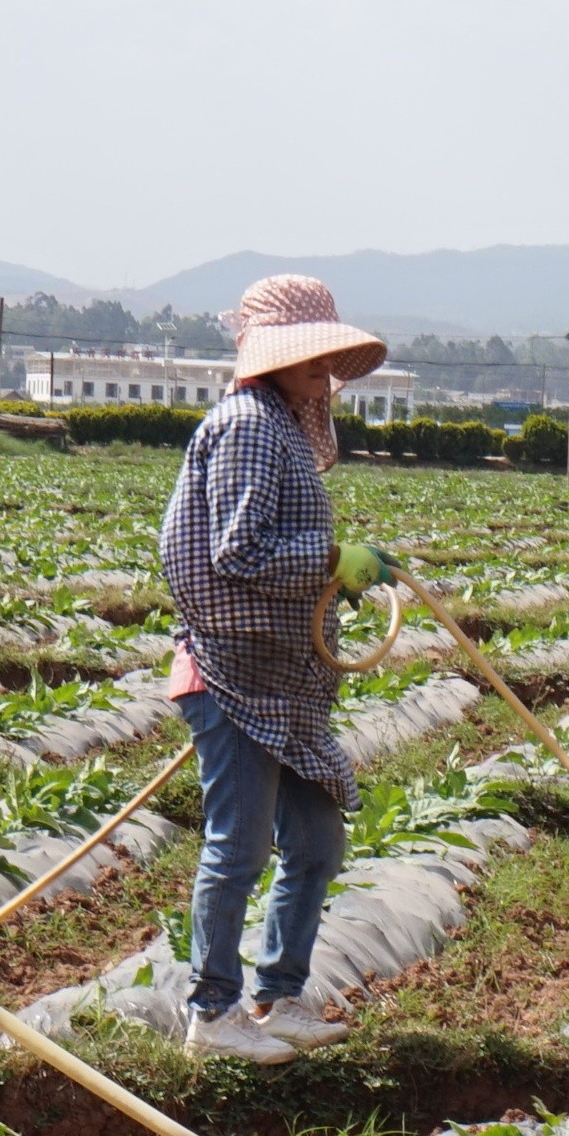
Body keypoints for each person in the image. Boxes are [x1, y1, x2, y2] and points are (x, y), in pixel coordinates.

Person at [157, 272, 403, 1063]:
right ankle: (212, 1014)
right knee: (238, 846)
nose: (322, 368)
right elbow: (239, 551)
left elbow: (272, 551)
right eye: (308, 353)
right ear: (269, 356)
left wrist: (340, 575)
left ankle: (279, 995)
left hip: (282, 682)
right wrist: (332, 558)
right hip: (232, 675)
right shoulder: (248, 426)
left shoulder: (282, 427)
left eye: (327, 354)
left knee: (317, 842)